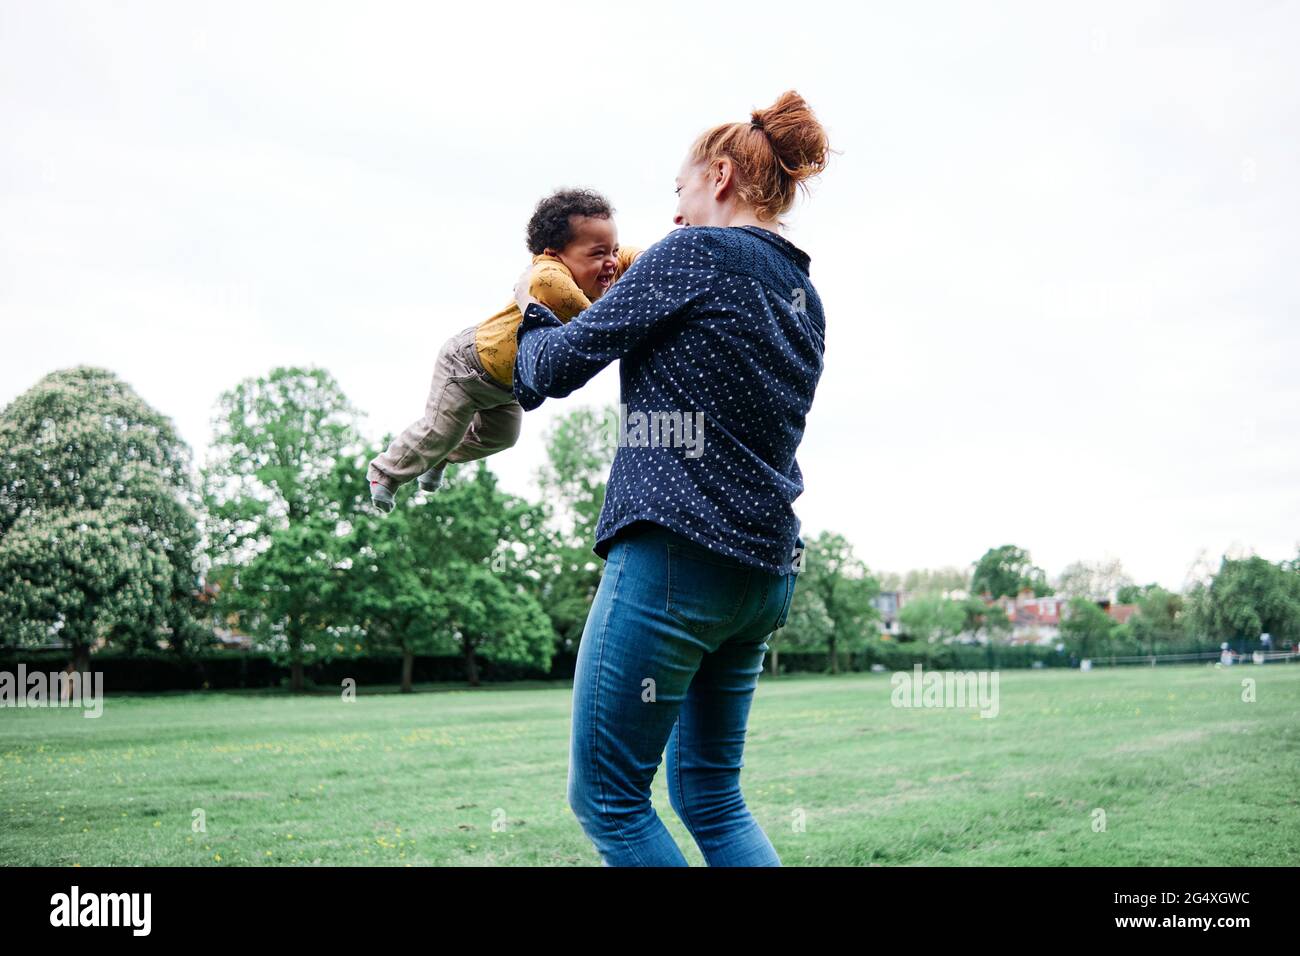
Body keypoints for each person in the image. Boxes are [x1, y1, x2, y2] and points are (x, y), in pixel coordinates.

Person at [513, 90, 831, 865]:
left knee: (610, 801)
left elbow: (545, 370)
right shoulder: (804, 298)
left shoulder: (694, 255)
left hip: (675, 558)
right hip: (762, 574)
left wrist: (531, 303)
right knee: (712, 798)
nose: (676, 213)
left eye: (680, 191)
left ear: (720, 176)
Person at [366, 188, 640, 513]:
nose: (610, 262)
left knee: (501, 438)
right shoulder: (547, 277)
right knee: (441, 428)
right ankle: (385, 472)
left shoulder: (596, 268)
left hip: (506, 389)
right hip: (466, 369)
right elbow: (596, 322)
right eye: (597, 254)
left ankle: (439, 455)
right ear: (555, 253)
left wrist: (652, 262)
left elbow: (635, 259)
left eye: (613, 250)